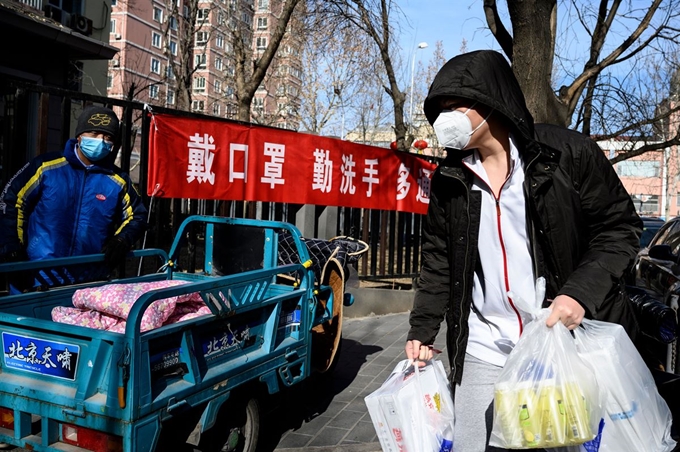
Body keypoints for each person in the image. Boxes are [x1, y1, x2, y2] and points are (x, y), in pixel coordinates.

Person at [404, 50, 642, 451]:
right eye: (440, 109)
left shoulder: (568, 155)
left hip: (562, 342)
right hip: (485, 343)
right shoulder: (450, 179)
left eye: (455, 106)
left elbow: (619, 229)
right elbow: (439, 259)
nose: (446, 119)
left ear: (490, 102)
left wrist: (578, 293)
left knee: (564, 442)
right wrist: (422, 329)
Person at [0, 105, 147, 291]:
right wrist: (12, 247)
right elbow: (11, 201)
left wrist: (122, 240)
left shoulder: (118, 181)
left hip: (91, 280)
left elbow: (138, 216)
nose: (101, 141)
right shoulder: (45, 167)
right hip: (37, 276)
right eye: (94, 134)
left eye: (108, 137)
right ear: (79, 136)